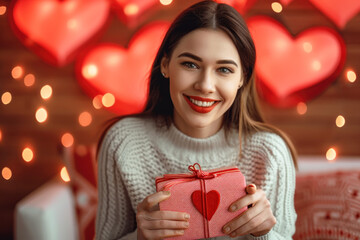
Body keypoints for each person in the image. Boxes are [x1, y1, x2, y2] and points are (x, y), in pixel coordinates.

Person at [95, 1, 297, 239]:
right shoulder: (124, 143)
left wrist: (265, 234)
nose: (205, 86)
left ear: (242, 78)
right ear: (165, 65)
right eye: (190, 64)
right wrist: (140, 237)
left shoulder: (269, 154)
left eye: (224, 70)